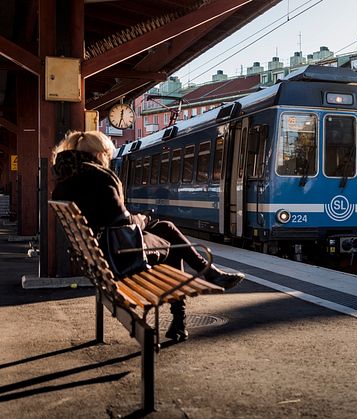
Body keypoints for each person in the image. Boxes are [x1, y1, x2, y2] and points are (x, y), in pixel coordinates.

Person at [51, 130, 244, 341]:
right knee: (172, 245)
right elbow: (122, 223)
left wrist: (139, 221)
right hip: (120, 257)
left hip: (101, 256)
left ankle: (206, 279)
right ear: (98, 155)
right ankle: (185, 310)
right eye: (107, 155)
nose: (108, 160)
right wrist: (142, 219)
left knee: (166, 228)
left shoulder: (64, 184)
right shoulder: (99, 180)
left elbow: (110, 219)